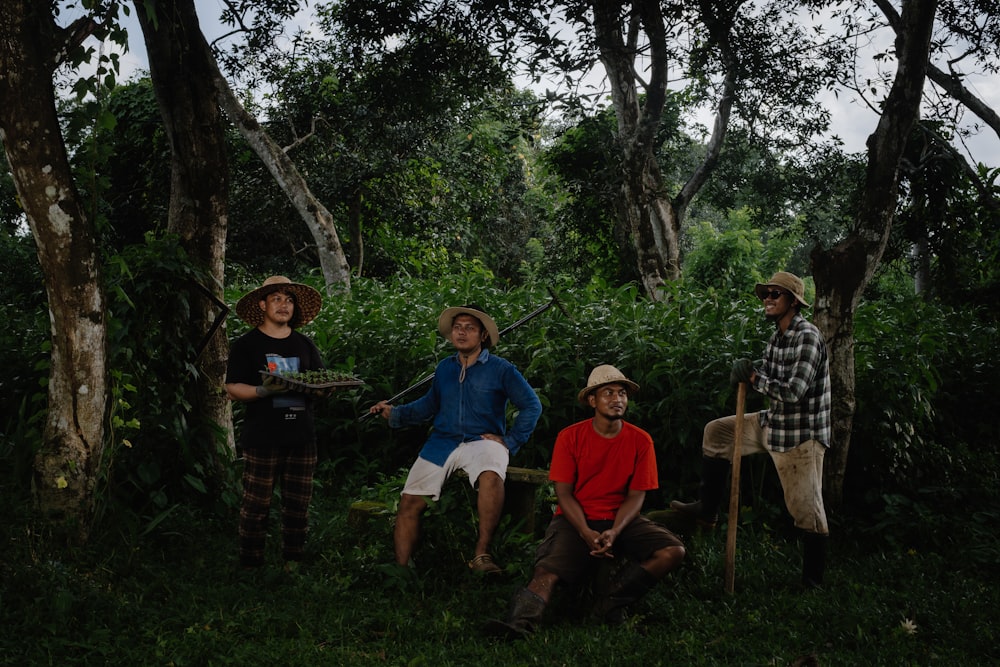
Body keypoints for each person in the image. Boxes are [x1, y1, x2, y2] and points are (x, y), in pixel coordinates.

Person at [485, 365, 686, 638]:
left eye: (622, 393)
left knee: (673, 551)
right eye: (608, 393)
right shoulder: (570, 437)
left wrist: (614, 530)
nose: (617, 399)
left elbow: (637, 495)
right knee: (546, 571)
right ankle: (519, 625)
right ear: (592, 400)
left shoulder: (641, 441)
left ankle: (608, 603)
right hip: (574, 518)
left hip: (621, 518)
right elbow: (564, 494)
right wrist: (585, 531)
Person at [670, 271, 831, 588]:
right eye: (765, 294)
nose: (768, 299)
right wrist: (750, 369)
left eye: (776, 294)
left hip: (800, 436)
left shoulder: (807, 336)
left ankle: (813, 582)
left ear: (793, 302)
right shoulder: (778, 337)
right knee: (717, 432)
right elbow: (768, 375)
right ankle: (708, 509)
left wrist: (756, 380)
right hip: (774, 422)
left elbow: (794, 391)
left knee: (806, 512)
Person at [369, 304, 542, 573]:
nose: (461, 332)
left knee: (491, 473)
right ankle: (400, 572)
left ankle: (481, 554)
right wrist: (394, 414)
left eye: (469, 328)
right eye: (457, 327)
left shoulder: (501, 369)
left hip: (482, 440)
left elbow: (532, 404)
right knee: (409, 501)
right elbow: (428, 406)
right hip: (442, 441)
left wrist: (511, 440)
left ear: (483, 335)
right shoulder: (445, 369)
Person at [225, 275, 325, 571]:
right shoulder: (247, 345)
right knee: (256, 505)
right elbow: (232, 387)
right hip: (262, 436)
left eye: (289, 300)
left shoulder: (304, 344)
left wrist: (326, 389)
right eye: (277, 299)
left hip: (302, 435)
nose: (284, 305)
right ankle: (251, 565)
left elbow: (320, 380)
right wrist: (261, 390)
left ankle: (292, 562)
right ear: (262, 304)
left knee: (298, 504)